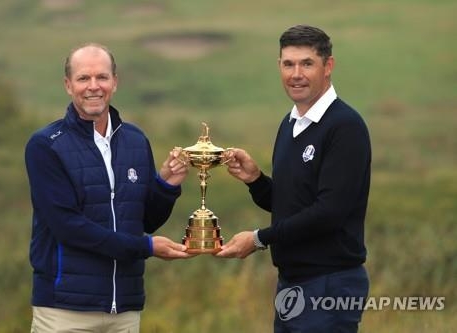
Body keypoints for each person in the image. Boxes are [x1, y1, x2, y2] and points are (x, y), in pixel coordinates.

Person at [25, 43, 192, 332]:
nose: (94, 87)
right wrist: (146, 247)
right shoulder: (45, 145)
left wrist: (165, 186)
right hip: (64, 310)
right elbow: (68, 226)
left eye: (102, 77)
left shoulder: (136, 140)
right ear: (68, 85)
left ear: (115, 82)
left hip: (125, 310)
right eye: (83, 78)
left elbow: (146, 220)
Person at [217, 25, 371, 332]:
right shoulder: (289, 125)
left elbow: (328, 212)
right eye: (288, 64)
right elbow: (292, 204)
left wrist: (259, 239)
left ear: (328, 66)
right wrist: (256, 180)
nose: (296, 74)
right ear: (279, 67)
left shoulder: (345, 127)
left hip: (330, 284)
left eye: (307, 63)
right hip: (292, 283)